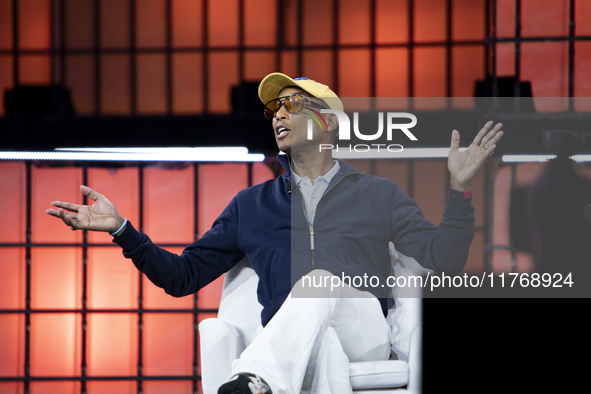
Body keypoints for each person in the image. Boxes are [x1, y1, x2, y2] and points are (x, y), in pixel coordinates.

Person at [46, 73, 504, 394]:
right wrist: (123, 231)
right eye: (274, 109)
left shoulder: (378, 194)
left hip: (363, 327)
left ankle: (251, 381)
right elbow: (182, 278)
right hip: (297, 336)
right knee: (319, 351)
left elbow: (444, 258)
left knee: (318, 283)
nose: (278, 116)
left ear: (327, 123)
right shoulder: (251, 206)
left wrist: (459, 191)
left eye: (292, 105)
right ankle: (262, 380)